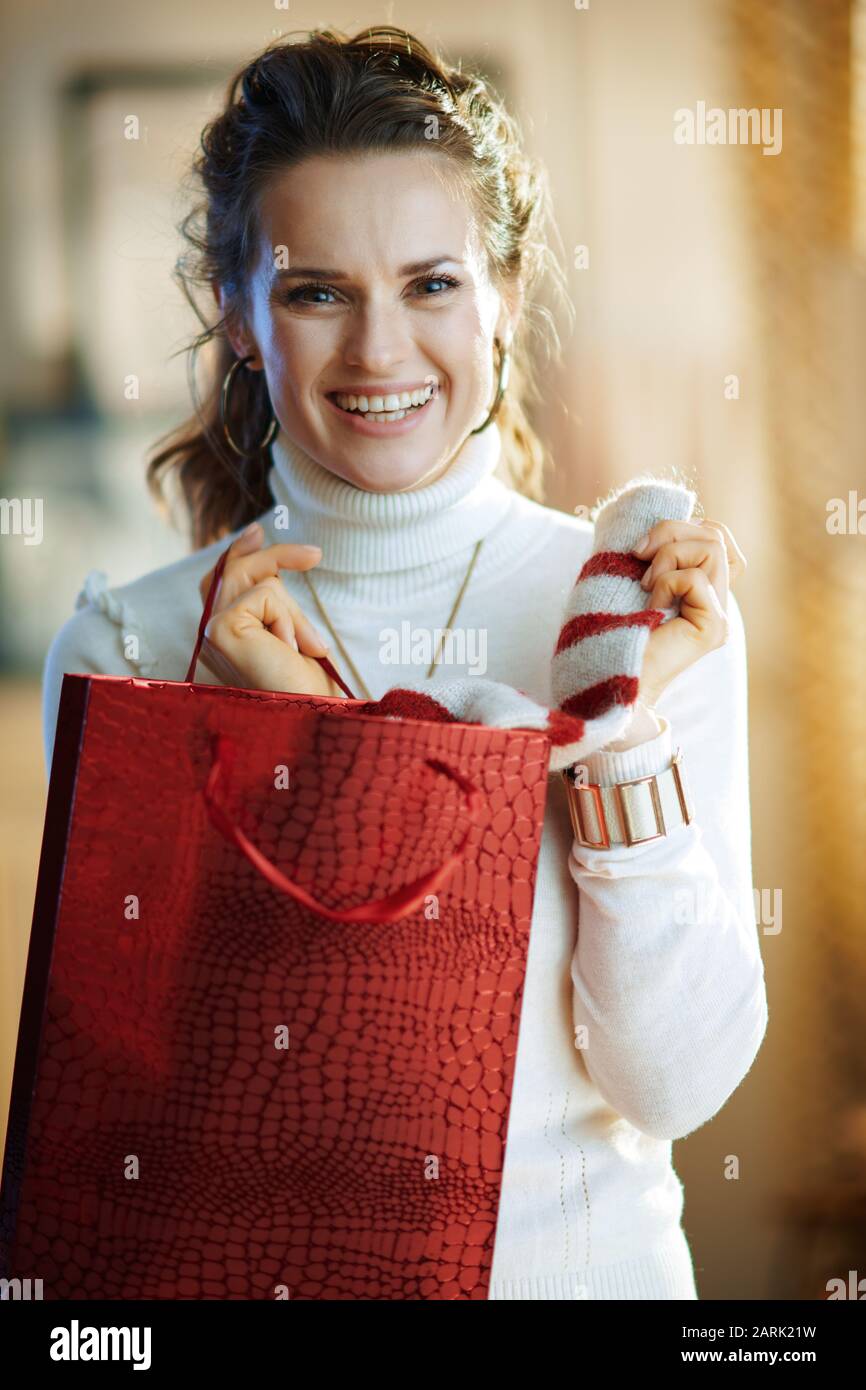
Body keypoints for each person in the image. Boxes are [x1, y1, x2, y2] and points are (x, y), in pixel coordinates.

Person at [42, 26, 767, 1300]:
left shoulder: (631, 615)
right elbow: (133, 1131)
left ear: (502, 294)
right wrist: (257, 757)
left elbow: (674, 1085)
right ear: (242, 318)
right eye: (318, 290)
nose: (379, 352)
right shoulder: (126, 647)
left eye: (430, 283)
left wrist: (613, 726)